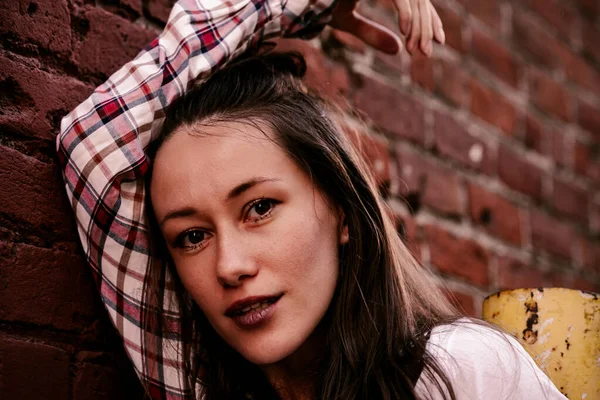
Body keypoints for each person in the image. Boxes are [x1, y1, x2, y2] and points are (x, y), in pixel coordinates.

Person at [56, 0, 568, 399]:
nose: (229, 267)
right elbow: (91, 144)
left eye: (259, 208)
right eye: (192, 236)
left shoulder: (458, 372)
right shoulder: (190, 382)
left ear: (341, 208)